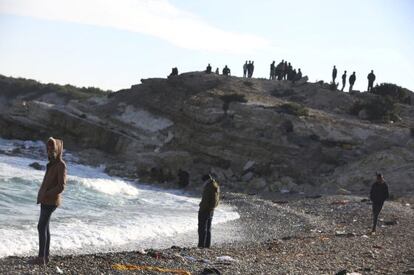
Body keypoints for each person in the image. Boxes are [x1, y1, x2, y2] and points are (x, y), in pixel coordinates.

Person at [30, 137, 66, 265]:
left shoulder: (60, 165)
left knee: (41, 227)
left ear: (58, 148)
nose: (50, 149)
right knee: (45, 227)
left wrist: (46, 194)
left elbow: (61, 186)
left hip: (50, 201)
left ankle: (41, 258)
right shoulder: (52, 164)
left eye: (52, 146)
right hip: (46, 200)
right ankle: (45, 256)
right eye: (48, 146)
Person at [198, 174, 220, 248]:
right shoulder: (215, 185)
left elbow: (205, 200)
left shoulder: (209, 187)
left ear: (206, 180)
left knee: (202, 228)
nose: (203, 183)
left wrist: (201, 208)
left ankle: (201, 245)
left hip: (205, 210)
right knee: (208, 229)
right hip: (211, 209)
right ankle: (207, 245)